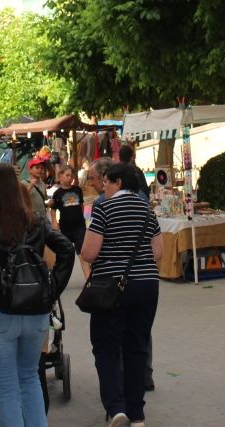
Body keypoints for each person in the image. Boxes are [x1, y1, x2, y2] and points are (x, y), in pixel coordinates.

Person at [0, 163, 75, 427]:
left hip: (1, 310)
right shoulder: (34, 220)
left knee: (6, 386)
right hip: (35, 311)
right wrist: (51, 289)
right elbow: (67, 248)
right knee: (29, 378)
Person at [81, 162, 163, 427]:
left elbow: (89, 253)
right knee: (136, 347)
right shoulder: (147, 210)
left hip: (112, 288)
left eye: (106, 183)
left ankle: (116, 409)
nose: (103, 188)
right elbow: (158, 253)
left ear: (117, 183)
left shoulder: (104, 208)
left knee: (105, 346)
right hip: (147, 286)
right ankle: (137, 414)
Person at [50, 165, 88, 276]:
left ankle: (88, 277)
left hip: (79, 227)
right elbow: (53, 209)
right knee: (65, 253)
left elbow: (81, 205)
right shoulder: (57, 194)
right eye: (67, 175)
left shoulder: (77, 190)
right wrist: (54, 222)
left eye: (71, 176)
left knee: (82, 253)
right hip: (65, 228)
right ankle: (61, 276)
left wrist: (82, 218)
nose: (69, 178)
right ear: (60, 176)